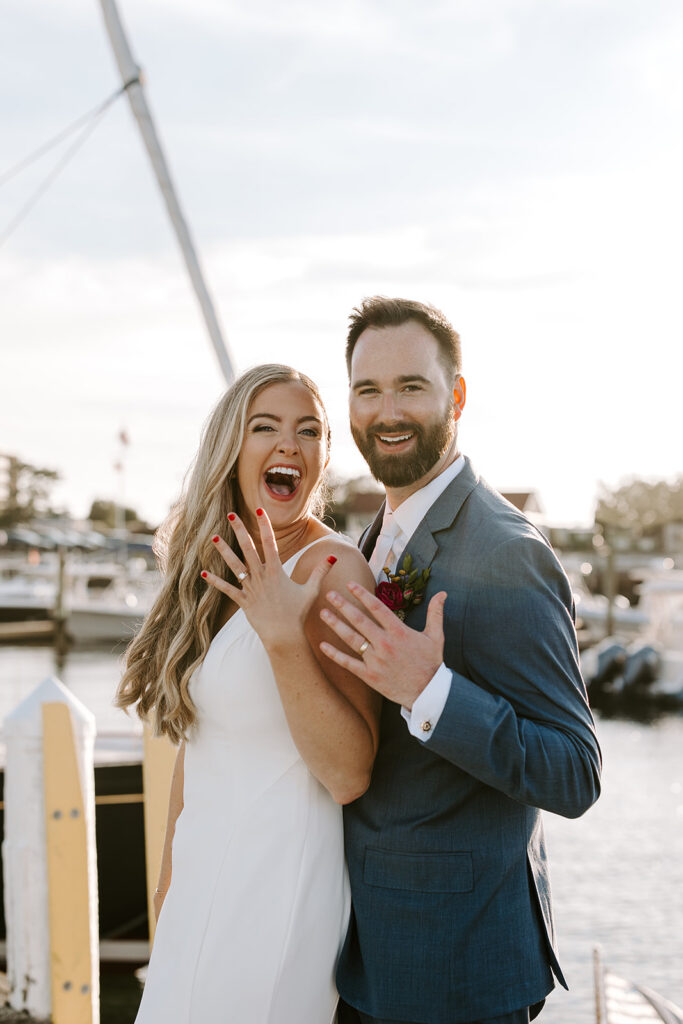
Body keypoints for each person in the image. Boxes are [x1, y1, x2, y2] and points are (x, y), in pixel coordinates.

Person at [319, 297, 602, 1024]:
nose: (387, 411)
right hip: (363, 951)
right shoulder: (374, 534)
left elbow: (573, 771)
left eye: (410, 386)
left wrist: (431, 691)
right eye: (367, 389)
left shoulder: (505, 551)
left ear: (456, 396)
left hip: (454, 968)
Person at [116, 363, 381, 1024]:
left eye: (309, 431)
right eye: (265, 427)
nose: (289, 444)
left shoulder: (332, 570)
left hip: (278, 894)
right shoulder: (217, 563)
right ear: (233, 448)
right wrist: (167, 894)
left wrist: (283, 635)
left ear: (323, 456)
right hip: (199, 891)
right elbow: (198, 748)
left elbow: (349, 772)